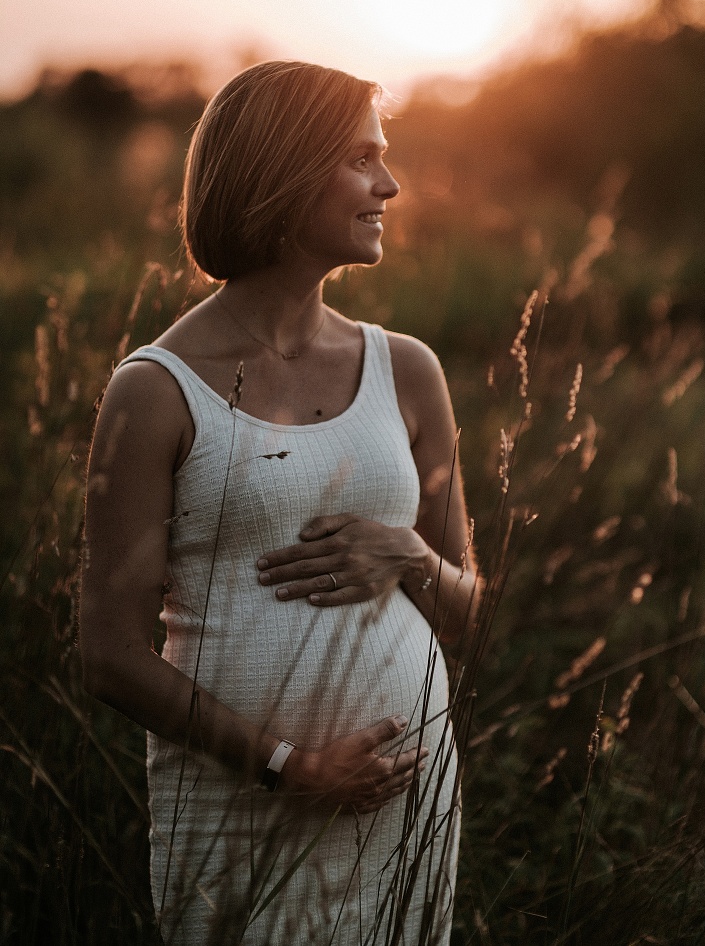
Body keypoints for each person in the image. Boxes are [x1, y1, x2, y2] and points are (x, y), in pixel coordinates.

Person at [80, 60, 480, 945]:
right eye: (362, 160)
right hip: (237, 808)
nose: (391, 184)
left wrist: (410, 556)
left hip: (404, 805)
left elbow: (471, 611)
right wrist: (287, 767)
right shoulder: (155, 391)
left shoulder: (407, 371)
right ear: (283, 172)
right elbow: (107, 656)